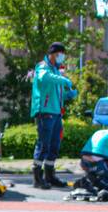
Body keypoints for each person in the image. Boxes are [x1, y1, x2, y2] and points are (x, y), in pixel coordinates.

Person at [30, 41, 77, 189]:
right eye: (60, 54)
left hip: (56, 113)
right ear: (52, 54)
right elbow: (45, 78)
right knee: (44, 145)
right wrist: (64, 80)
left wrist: (67, 95)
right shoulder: (42, 67)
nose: (62, 57)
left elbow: (55, 94)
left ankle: (49, 176)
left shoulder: (56, 70)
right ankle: (37, 178)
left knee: (54, 146)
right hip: (45, 112)